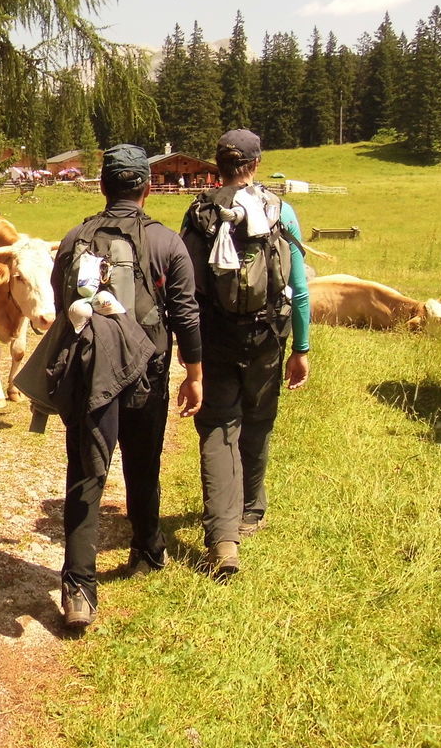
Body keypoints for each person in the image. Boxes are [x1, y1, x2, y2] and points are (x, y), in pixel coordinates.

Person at [48, 144, 204, 629]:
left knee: (86, 476)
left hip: (91, 373)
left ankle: (78, 591)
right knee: (144, 462)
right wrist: (194, 373)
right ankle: (148, 548)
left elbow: (61, 302)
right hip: (147, 373)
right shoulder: (167, 243)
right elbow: (185, 314)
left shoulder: (76, 237)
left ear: (103, 185)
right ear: (147, 186)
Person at [180, 129, 310, 578]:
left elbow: (187, 292)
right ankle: (252, 510)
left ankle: (222, 539)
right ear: (256, 164)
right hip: (268, 339)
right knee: (258, 420)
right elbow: (300, 290)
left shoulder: (199, 212)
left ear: (217, 166)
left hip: (216, 340)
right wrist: (302, 347)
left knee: (218, 428)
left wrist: (189, 356)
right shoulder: (280, 210)